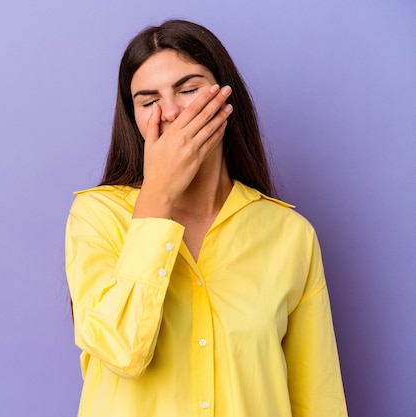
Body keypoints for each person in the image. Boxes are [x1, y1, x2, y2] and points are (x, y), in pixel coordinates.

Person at [65, 19, 348, 417]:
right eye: (149, 101)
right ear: (134, 119)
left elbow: (317, 400)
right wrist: (158, 194)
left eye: (189, 89)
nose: (171, 113)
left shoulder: (290, 234)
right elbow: (121, 351)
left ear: (226, 99)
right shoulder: (97, 217)